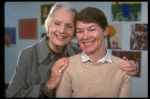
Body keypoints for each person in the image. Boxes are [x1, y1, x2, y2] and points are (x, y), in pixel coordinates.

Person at [7, 2, 136, 98]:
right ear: (48, 26)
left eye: (69, 26)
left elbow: (99, 65)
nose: (62, 31)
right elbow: (12, 95)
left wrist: (126, 66)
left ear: (74, 33)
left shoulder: (76, 53)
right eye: (57, 24)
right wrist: (48, 86)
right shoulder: (27, 55)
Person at [56, 7, 132, 98]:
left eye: (92, 29)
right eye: (80, 31)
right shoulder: (67, 66)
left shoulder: (124, 68)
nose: (85, 36)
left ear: (105, 31)